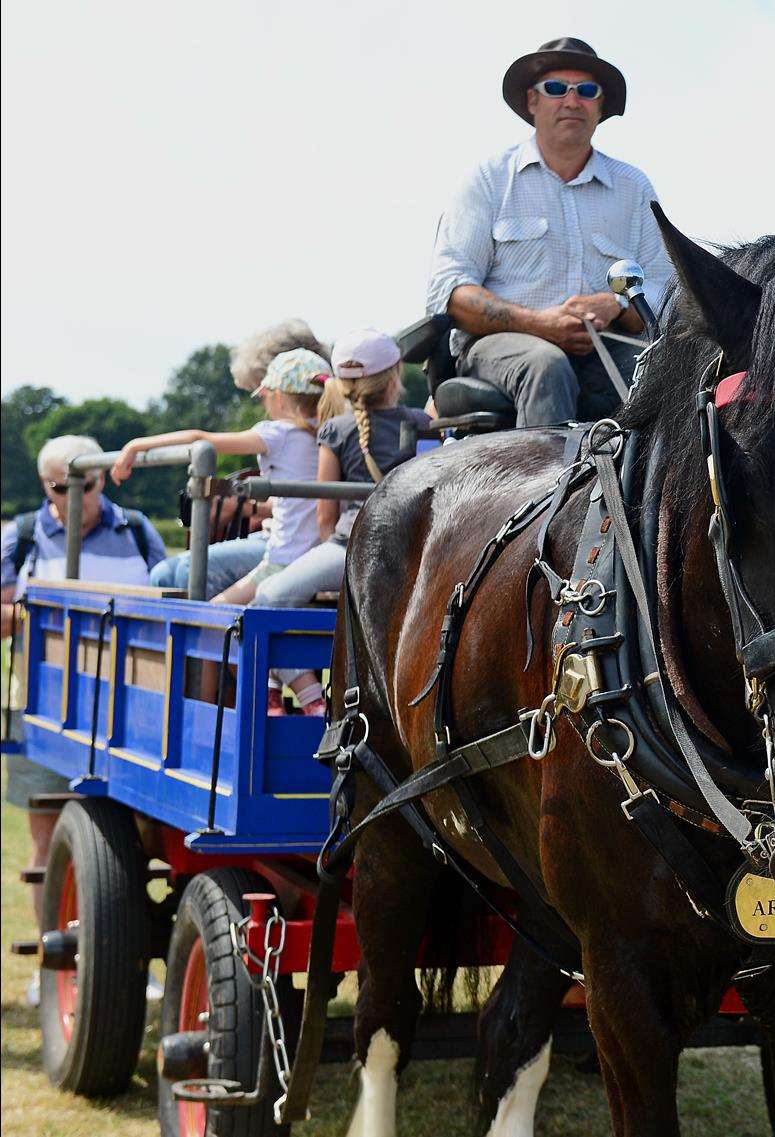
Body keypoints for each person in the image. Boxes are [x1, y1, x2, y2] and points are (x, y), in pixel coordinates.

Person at [426, 37, 672, 426]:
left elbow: (664, 287)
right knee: (547, 365)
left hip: (605, 344)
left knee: (669, 374)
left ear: (601, 105)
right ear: (532, 102)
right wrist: (540, 324)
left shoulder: (634, 187)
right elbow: (452, 294)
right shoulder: (489, 180)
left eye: (587, 91)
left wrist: (617, 304)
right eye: (556, 88)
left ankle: (666, 489)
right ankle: (544, 487)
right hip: (501, 349)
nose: (572, 101)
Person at [3, 435, 167, 1006]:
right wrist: (45, 608)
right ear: (44, 486)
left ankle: (124, 964)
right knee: (48, 846)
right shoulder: (22, 535)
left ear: (103, 479)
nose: (75, 498)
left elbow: (168, 598)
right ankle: (52, 966)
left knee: (133, 845)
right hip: (46, 710)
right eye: (59, 487)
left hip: (130, 712)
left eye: (87, 484)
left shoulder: (137, 528)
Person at [250, 330, 431, 715]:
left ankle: (308, 696)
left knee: (266, 598)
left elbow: (325, 516)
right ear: (396, 374)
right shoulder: (420, 424)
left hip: (350, 547)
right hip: (414, 549)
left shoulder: (335, 430)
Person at [114, 350, 326, 603]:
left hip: (284, 556)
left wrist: (137, 445)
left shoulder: (278, 433)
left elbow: (201, 440)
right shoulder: (330, 432)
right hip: (312, 553)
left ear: (278, 398)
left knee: (212, 615)